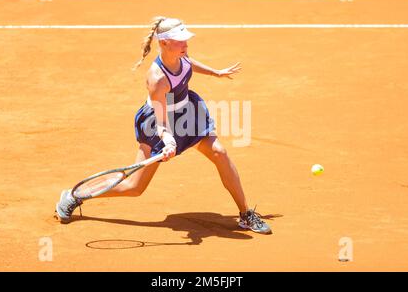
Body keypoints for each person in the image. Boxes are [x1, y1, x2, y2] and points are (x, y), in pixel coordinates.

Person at [55, 16, 271, 234]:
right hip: (160, 123)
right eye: (180, 41)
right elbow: (161, 123)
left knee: (219, 152)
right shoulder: (157, 79)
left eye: (186, 39)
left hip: (187, 113)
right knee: (134, 187)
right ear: (164, 43)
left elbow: (189, 64)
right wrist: (168, 141)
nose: (186, 44)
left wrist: (215, 72)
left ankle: (245, 214)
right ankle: (75, 195)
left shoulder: (180, 55)